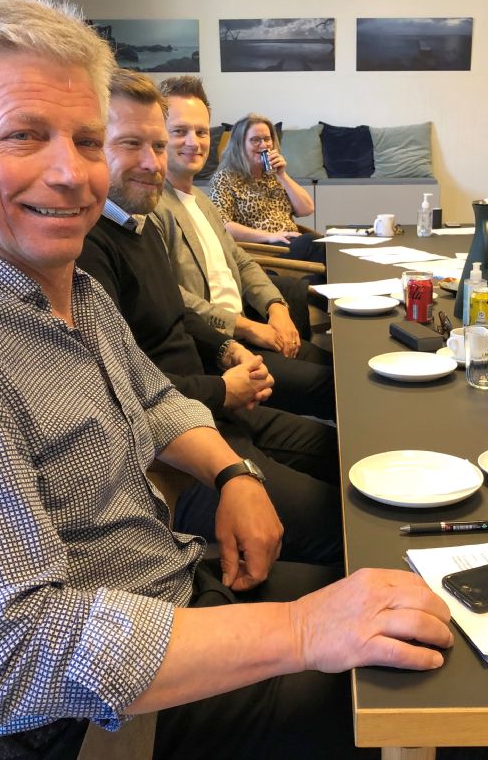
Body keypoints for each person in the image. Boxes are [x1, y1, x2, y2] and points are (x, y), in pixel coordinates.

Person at [0, 0, 451, 759]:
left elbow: (150, 399)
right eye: (24, 135)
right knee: (438, 699)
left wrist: (234, 475)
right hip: (99, 719)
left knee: (433, 622)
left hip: (170, 590)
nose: (69, 172)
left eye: (86, 140)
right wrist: (302, 629)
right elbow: (11, 663)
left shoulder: (73, 289)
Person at [78, 69, 341, 564]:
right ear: (90, 147)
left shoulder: (138, 223)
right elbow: (126, 391)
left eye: (158, 145)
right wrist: (224, 385)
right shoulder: (89, 248)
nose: (153, 161)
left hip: (215, 409)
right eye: (131, 143)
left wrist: (227, 347)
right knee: (339, 522)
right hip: (186, 443)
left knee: (344, 453)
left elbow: (178, 311)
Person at [157, 75, 335, 421]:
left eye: (201, 131)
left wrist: (276, 307)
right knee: (334, 386)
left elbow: (240, 260)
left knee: (340, 365)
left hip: (246, 327)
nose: (193, 142)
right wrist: (250, 328)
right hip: (220, 348)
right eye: (179, 131)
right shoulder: (156, 208)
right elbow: (173, 297)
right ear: (157, 135)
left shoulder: (200, 201)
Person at [208, 112, 327, 266]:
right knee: (314, 243)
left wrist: (282, 175)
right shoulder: (225, 178)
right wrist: (270, 236)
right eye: (255, 140)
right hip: (262, 251)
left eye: (267, 139)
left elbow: (307, 209)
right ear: (240, 144)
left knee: (328, 248)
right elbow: (223, 225)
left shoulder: (274, 176)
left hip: (290, 244)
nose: (264, 145)